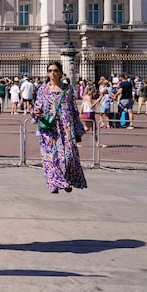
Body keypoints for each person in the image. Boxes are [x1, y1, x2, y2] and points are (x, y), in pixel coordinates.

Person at [31, 61, 88, 194]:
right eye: (50, 70)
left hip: (66, 126)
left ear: (61, 73)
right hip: (48, 127)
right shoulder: (43, 89)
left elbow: (74, 109)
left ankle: (64, 179)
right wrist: (36, 113)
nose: (53, 73)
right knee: (50, 157)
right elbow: (36, 108)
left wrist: (78, 130)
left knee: (67, 156)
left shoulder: (68, 89)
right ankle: (56, 183)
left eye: (55, 70)